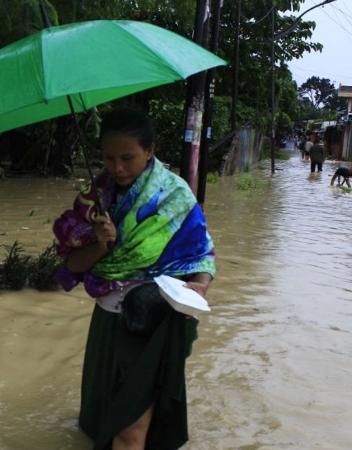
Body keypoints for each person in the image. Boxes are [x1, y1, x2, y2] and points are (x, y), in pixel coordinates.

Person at [53, 109, 216, 450]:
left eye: (128, 157)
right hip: (108, 323)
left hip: (154, 324)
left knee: (129, 429)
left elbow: (202, 256)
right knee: (99, 420)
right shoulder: (94, 200)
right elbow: (75, 266)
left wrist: (199, 287)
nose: (118, 168)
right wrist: (101, 243)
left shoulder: (175, 196)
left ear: (150, 151)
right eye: (109, 158)